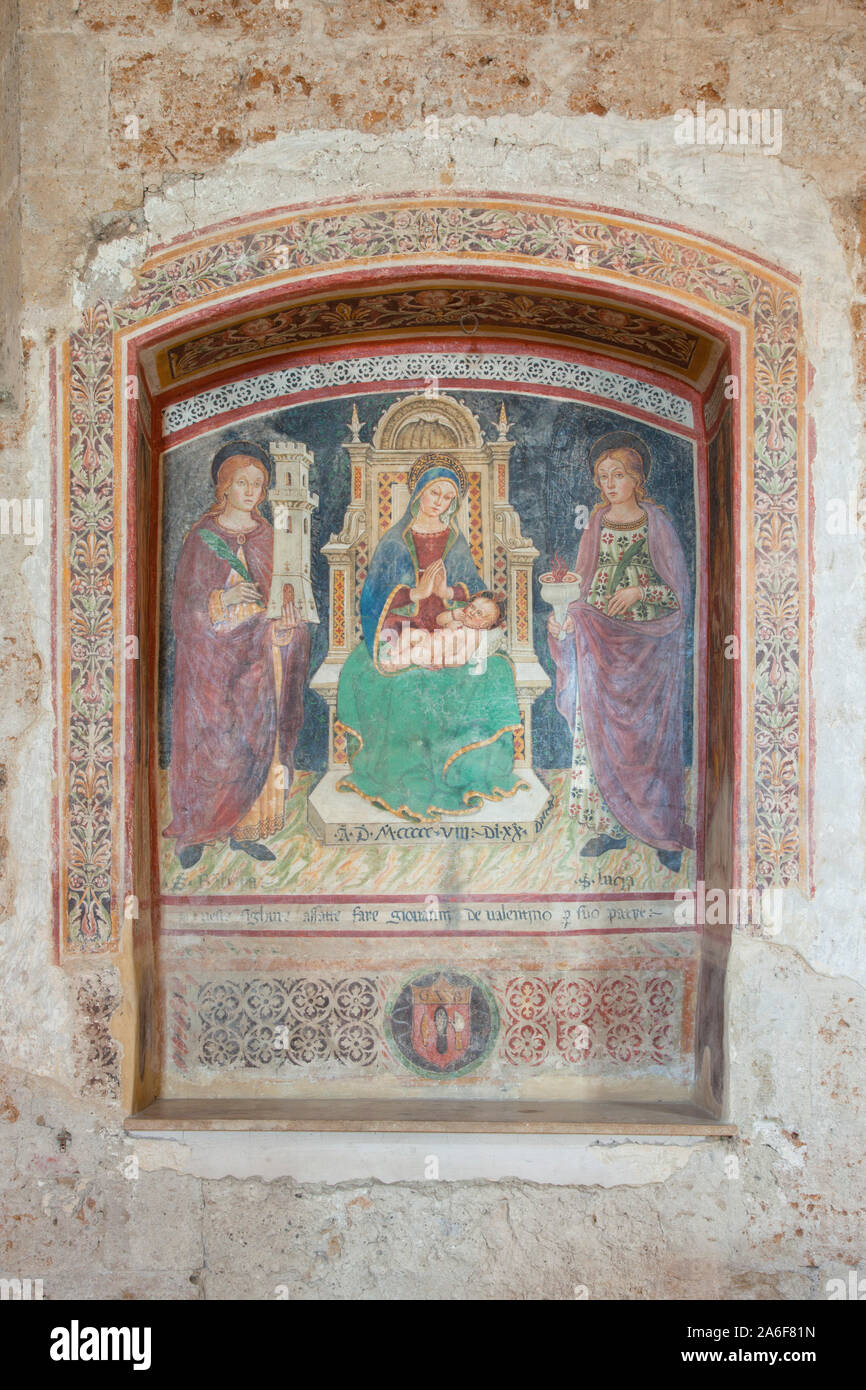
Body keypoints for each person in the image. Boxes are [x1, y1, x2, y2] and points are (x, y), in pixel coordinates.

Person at [336, 453, 525, 820]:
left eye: (448, 497)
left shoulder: (453, 541)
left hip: (454, 630)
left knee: (495, 672)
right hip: (401, 631)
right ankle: (412, 782)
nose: (440, 502)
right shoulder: (394, 543)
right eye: (434, 493)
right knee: (407, 685)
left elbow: (477, 592)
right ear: (419, 492)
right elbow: (372, 601)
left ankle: (464, 773)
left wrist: (451, 592)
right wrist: (415, 594)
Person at [547, 430, 694, 873]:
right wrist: (564, 619)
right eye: (602, 476)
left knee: (651, 740)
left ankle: (662, 831)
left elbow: (680, 596)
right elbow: (584, 584)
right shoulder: (597, 522)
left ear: (637, 479)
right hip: (602, 646)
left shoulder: (656, 522)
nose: (609, 484)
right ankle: (609, 826)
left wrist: (637, 591)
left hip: (650, 650)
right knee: (601, 736)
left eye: (618, 475)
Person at [165, 439, 310, 868]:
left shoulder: (269, 538)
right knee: (212, 742)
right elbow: (183, 611)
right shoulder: (202, 538)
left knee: (255, 739)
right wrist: (224, 601)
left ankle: (245, 830)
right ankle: (198, 830)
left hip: (261, 661)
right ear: (223, 486)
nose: (251, 492)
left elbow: (288, 602)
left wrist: (287, 629)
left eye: (259, 485)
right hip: (210, 664)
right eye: (242, 483)